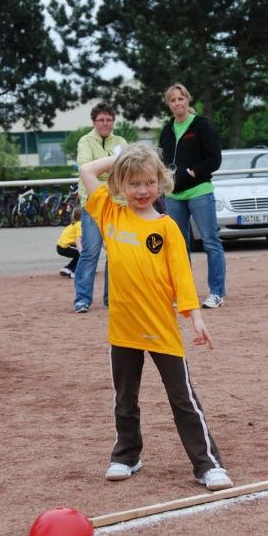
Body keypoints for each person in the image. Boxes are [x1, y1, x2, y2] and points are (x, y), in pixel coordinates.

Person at [79, 142, 233, 491]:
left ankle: (207, 465)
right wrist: (123, 158)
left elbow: (181, 278)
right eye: (133, 183)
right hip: (123, 330)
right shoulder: (109, 213)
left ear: (160, 183)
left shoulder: (166, 228)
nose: (142, 190)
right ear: (120, 186)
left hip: (161, 330)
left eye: (149, 182)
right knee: (125, 398)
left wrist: (195, 317)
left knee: (183, 399)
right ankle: (126, 456)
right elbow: (88, 171)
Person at [159, 83, 226, 309]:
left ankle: (217, 292)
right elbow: (160, 160)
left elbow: (214, 159)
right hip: (174, 196)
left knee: (210, 242)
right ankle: (183, 293)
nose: (177, 103)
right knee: (178, 246)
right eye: (172, 100)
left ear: (188, 100)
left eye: (180, 99)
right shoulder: (167, 130)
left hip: (199, 192)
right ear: (168, 105)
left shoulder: (201, 126)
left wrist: (192, 173)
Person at [74, 102, 128, 313]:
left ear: (113, 121)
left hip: (119, 203)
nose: (105, 123)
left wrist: (101, 167)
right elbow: (86, 169)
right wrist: (111, 166)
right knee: (90, 252)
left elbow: (125, 169)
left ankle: (111, 297)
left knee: (116, 252)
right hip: (94, 204)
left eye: (109, 119)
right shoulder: (85, 141)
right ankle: (82, 299)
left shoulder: (121, 141)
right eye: (101, 120)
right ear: (94, 122)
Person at [56, 205, 82, 278]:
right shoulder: (80, 224)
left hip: (60, 246)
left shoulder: (74, 224)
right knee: (84, 253)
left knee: (78, 254)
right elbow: (79, 239)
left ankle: (68, 268)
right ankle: (75, 272)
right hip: (65, 247)